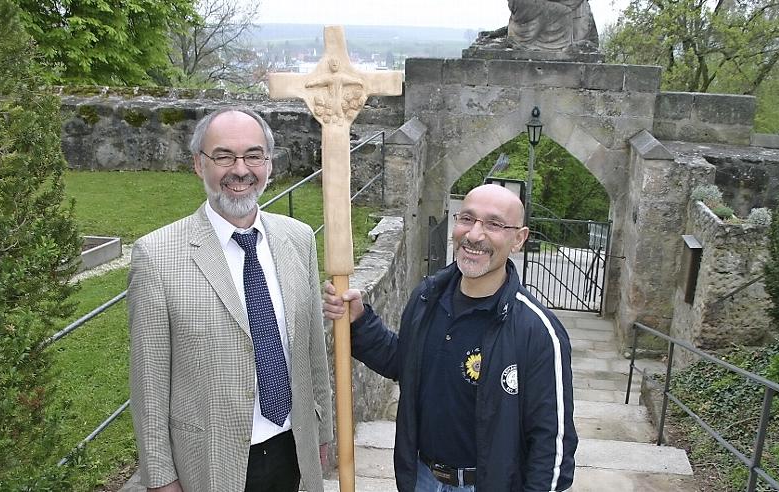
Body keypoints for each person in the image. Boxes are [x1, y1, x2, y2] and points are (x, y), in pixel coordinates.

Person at [129, 108, 333, 492]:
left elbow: (311, 351)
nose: (240, 170)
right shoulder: (156, 256)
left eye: (253, 155)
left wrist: (322, 431)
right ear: (198, 164)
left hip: (293, 448)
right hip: (210, 461)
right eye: (223, 156)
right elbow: (148, 381)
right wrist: (159, 477)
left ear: (268, 163)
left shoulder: (299, 238)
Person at [323, 184, 577, 491]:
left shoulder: (536, 330)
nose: (474, 235)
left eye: (494, 224)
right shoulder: (428, 298)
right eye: (467, 219)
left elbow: (552, 441)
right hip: (422, 478)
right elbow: (405, 363)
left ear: (518, 239)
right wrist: (360, 321)